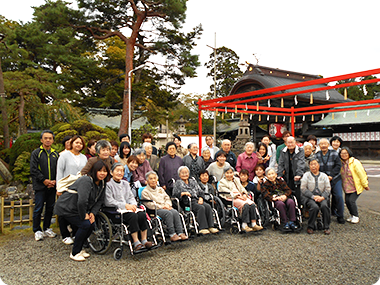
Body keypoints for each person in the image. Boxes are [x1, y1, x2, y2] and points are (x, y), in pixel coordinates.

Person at [54, 160, 109, 261]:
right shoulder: (86, 180)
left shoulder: (102, 184)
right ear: (94, 171)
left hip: (78, 208)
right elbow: (82, 200)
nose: (102, 173)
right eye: (99, 171)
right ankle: (75, 252)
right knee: (85, 225)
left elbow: (99, 200)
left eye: (105, 171)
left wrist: (92, 213)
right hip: (67, 207)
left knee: (91, 225)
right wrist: (84, 215)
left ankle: (79, 248)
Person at [104, 163, 153, 252]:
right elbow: (109, 201)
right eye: (117, 171)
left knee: (142, 214)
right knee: (133, 216)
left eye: (122, 171)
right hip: (116, 211)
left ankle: (144, 240)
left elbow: (131, 197)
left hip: (129, 208)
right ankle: (136, 242)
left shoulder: (125, 183)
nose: (120, 173)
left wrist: (133, 205)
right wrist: (125, 205)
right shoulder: (108, 185)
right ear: (111, 172)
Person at [56, 135, 87, 245]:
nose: (79, 145)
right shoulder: (64, 156)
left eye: (81, 143)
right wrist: (59, 187)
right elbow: (59, 171)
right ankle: (65, 235)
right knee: (64, 211)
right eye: (76, 142)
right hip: (66, 186)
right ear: (72, 143)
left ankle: (75, 232)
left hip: (79, 187)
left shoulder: (84, 157)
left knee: (75, 210)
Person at [141, 171, 188, 242]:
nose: (153, 180)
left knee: (175, 212)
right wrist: (162, 206)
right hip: (155, 209)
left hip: (165, 207)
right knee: (168, 213)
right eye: (151, 179)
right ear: (147, 181)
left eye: (154, 178)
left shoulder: (160, 189)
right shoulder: (145, 192)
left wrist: (168, 205)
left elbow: (167, 198)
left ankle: (180, 232)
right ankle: (172, 234)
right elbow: (149, 204)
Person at [30, 130, 59, 241]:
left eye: (50, 138)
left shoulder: (55, 154)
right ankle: (37, 230)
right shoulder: (36, 153)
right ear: (41, 140)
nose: (48, 140)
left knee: (50, 207)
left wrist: (55, 181)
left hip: (53, 185)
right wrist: (44, 180)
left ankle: (47, 227)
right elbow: (33, 170)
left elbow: (58, 169)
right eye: (45, 138)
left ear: (53, 140)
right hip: (40, 186)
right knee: (38, 207)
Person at [173, 166, 219, 235]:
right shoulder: (178, 183)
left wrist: (201, 198)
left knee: (207, 206)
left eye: (186, 172)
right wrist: (183, 193)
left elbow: (200, 191)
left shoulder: (192, 181)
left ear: (189, 173)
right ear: (179, 174)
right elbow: (175, 194)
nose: (185, 174)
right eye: (182, 173)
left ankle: (211, 226)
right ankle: (202, 228)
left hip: (196, 199)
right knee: (201, 208)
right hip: (187, 202)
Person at [218, 167, 263, 232]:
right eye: (227, 173)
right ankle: (244, 225)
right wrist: (238, 196)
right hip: (230, 198)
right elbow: (225, 192)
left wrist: (244, 194)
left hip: (241, 196)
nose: (229, 175)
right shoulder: (222, 182)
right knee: (245, 205)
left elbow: (241, 188)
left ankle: (254, 223)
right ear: (224, 174)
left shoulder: (236, 179)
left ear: (233, 173)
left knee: (252, 204)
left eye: (231, 173)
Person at [315, 138, 345, 224]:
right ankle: (326, 216)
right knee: (325, 198)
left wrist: (331, 175)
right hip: (323, 181)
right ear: (319, 146)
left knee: (338, 196)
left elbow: (338, 166)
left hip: (335, 179)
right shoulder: (317, 155)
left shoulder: (335, 154)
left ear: (328, 145)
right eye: (321, 144)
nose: (323, 146)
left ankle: (340, 216)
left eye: (325, 144)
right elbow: (315, 167)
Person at [300, 158, 331, 235]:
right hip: (310, 197)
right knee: (314, 207)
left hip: (321, 197)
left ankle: (326, 226)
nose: (313, 166)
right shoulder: (306, 175)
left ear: (319, 165)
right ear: (309, 166)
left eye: (315, 164)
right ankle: (310, 226)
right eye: (311, 164)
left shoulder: (324, 176)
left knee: (324, 206)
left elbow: (328, 188)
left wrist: (322, 197)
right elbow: (303, 188)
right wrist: (313, 197)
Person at [340, 147, 369, 224]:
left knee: (351, 201)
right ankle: (352, 215)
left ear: (349, 153)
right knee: (347, 201)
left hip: (355, 186)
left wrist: (365, 184)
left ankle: (356, 216)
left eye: (345, 153)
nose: (344, 155)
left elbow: (361, 173)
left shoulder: (355, 162)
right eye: (342, 153)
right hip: (347, 186)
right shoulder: (341, 163)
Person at [277, 136, 306, 203]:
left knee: (298, 195)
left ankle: (299, 209)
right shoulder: (283, 151)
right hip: (287, 176)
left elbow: (301, 163)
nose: (290, 144)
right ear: (286, 143)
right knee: (287, 194)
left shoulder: (300, 151)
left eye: (292, 142)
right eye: (288, 143)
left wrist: (299, 174)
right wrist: (279, 175)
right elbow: (281, 164)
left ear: (295, 143)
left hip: (297, 176)